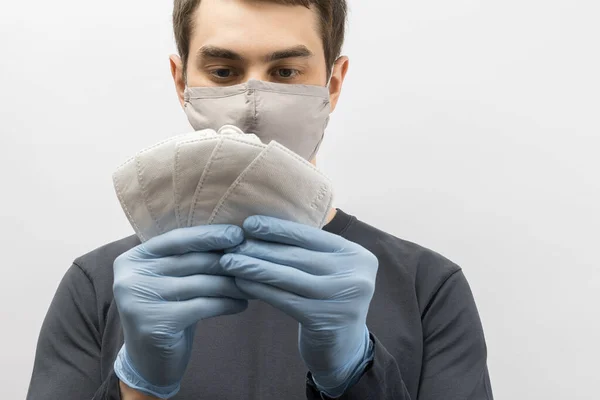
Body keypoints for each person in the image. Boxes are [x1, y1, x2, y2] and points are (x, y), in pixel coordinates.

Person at [26, 1, 493, 399]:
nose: (253, 104)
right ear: (181, 80)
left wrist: (357, 375)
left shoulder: (428, 287)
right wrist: (137, 386)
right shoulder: (97, 286)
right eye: (224, 71)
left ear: (333, 82)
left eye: (286, 71)